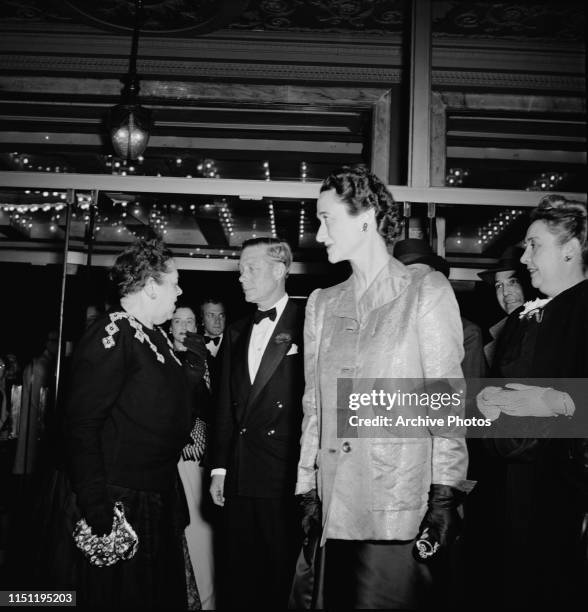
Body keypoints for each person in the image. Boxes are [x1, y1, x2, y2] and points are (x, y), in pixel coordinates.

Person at [296, 166, 471, 609]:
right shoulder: (320, 304)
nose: (319, 234)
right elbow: (314, 408)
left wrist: (445, 495)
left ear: (365, 218)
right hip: (335, 510)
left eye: (326, 218)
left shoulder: (425, 291)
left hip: (397, 510)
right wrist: (307, 491)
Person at [50, 238, 208, 610]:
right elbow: (82, 425)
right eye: (175, 282)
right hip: (117, 498)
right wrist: (96, 504)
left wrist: (195, 367)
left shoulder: (155, 336)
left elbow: (161, 402)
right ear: (152, 286)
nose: (180, 290)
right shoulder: (111, 333)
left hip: (153, 493)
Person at [476, 194, 588, 609]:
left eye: (535, 245)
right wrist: (488, 401)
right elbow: (507, 390)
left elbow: (551, 402)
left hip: (569, 500)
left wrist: (557, 401)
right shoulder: (525, 317)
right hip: (517, 491)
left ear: (571, 250)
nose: (525, 259)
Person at [210, 237, 305, 609]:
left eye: (251, 269)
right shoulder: (235, 331)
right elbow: (224, 408)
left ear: (280, 270)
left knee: (278, 577)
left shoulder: (309, 322)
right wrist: (219, 467)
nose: (242, 278)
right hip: (239, 471)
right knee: (237, 576)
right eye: (240, 270)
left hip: (284, 474)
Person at [170, 303, 216, 610]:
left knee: (199, 533)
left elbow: (213, 406)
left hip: (194, 458)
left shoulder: (205, 359)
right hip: (166, 457)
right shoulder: (159, 355)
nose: (184, 325)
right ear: (169, 325)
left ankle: (206, 598)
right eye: (178, 320)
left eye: (189, 320)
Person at [394, 238, 487, 379]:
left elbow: (470, 395)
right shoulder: (384, 328)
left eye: (415, 272)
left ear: (434, 278)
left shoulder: (467, 333)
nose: (409, 281)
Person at [477, 246, 529, 365]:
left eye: (512, 282)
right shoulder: (494, 336)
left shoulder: (551, 327)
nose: (505, 292)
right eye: (499, 286)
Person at [199, 298, 226, 394]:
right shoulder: (193, 345)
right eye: (211, 315)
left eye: (221, 315)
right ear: (202, 319)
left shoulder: (236, 344)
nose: (217, 321)